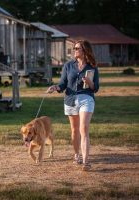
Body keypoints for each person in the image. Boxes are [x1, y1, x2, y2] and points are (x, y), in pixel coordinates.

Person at [47, 40, 99, 171]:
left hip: (86, 98)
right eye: (74, 48)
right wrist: (55, 87)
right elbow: (63, 84)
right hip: (70, 100)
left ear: (85, 51)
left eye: (77, 48)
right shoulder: (68, 65)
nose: (74, 50)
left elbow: (96, 88)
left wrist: (89, 82)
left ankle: (86, 161)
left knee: (84, 129)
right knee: (75, 131)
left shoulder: (92, 67)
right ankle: (77, 154)